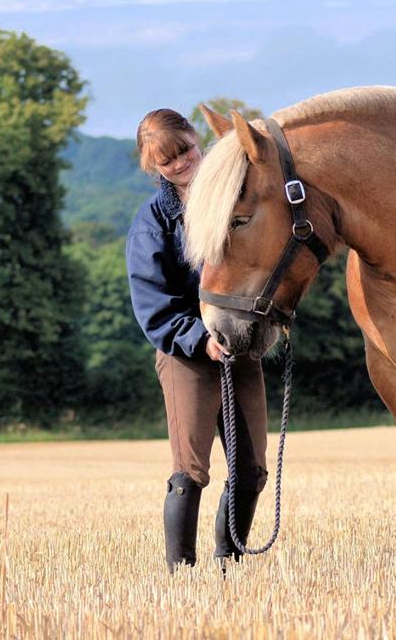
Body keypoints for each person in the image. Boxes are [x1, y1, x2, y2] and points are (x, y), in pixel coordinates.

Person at [126, 108, 269, 572]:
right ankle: (181, 573)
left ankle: (229, 563)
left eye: (185, 149)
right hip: (185, 355)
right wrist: (198, 338)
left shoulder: (235, 194)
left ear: (194, 137)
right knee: (191, 471)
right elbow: (153, 306)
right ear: (154, 167)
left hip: (238, 344)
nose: (183, 163)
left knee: (251, 472)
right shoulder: (151, 223)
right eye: (168, 161)